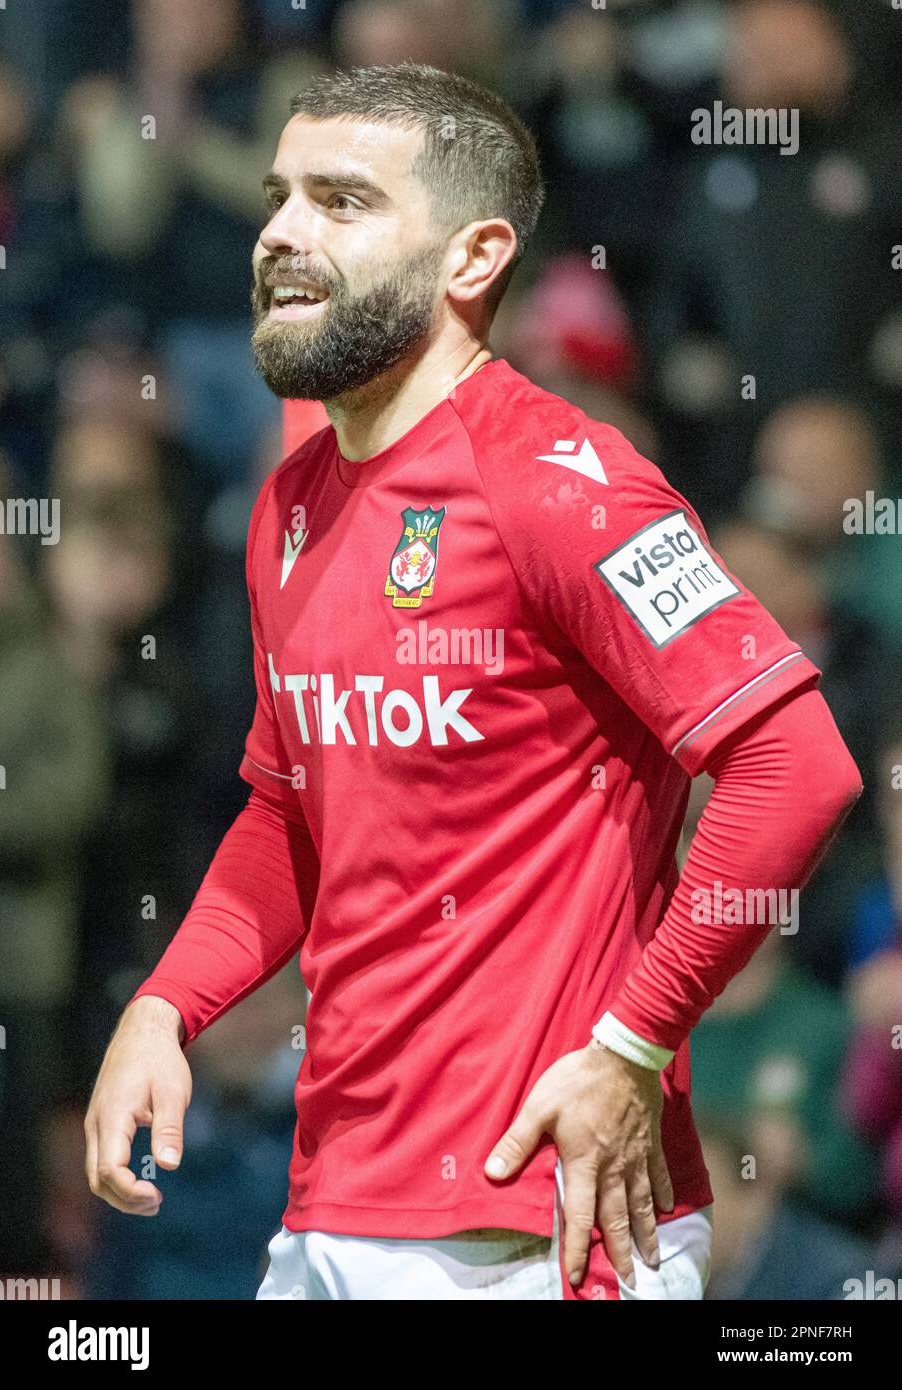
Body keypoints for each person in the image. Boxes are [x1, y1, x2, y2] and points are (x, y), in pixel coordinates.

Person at [85, 61, 862, 1302]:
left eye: (340, 202)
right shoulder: (288, 503)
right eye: (280, 196)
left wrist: (632, 1040)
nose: (280, 230)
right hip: (332, 1204)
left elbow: (797, 766)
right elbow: (291, 807)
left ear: (472, 257)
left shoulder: (567, 481)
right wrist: (168, 1004)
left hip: (540, 1231)